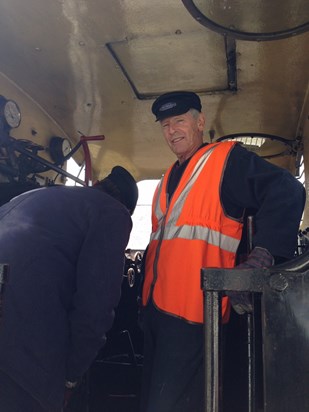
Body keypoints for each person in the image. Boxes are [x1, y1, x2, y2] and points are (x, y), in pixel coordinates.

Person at [139, 91, 306, 412]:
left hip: (196, 318)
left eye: (180, 121)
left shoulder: (224, 160)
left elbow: (287, 189)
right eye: (165, 125)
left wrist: (263, 255)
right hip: (156, 317)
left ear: (200, 122)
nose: (171, 130)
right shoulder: (163, 183)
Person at [0, 165, 138, 412]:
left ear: (96, 185)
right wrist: (72, 375)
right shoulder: (113, 213)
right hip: (24, 346)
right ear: (126, 207)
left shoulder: (32, 197)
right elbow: (95, 306)